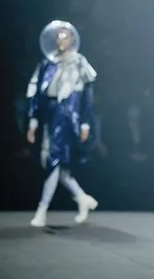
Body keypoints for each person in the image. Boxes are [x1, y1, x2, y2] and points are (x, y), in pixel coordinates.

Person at [26, 20, 99, 227]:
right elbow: (36, 93)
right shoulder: (47, 62)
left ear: (72, 39)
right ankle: (82, 198)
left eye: (65, 36)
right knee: (57, 166)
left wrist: (85, 124)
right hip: (51, 119)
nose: (61, 40)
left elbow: (87, 98)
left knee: (54, 162)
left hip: (69, 121)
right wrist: (33, 121)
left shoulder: (79, 62)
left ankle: (42, 210)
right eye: (58, 36)